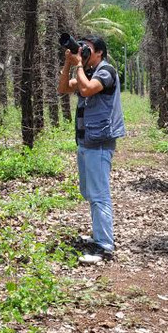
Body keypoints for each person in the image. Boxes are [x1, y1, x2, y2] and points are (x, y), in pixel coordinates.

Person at [57, 35, 125, 263]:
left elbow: (85, 90)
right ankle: (98, 235)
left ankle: (104, 245)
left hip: (100, 143)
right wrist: (69, 62)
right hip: (86, 142)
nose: (83, 52)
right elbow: (63, 87)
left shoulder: (106, 72)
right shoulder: (87, 72)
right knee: (89, 192)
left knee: (99, 195)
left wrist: (78, 65)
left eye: (88, 49)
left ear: (100, 53)